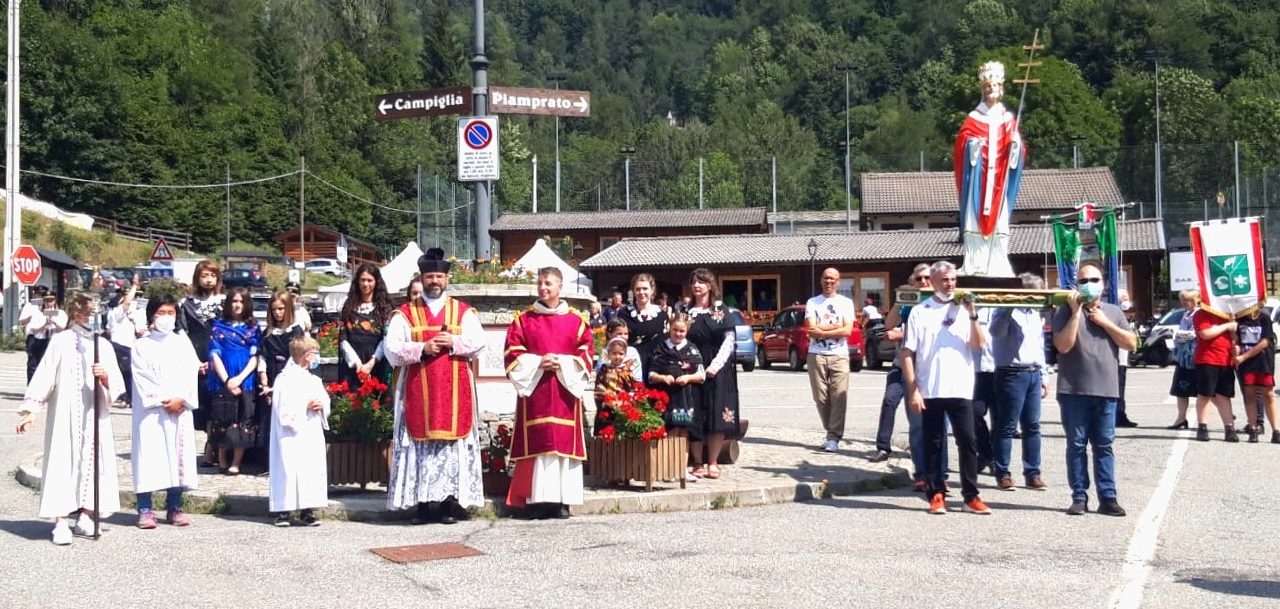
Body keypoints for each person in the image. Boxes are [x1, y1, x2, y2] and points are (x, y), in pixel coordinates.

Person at [385, 250, 487, 524]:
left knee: (451, 448)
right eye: (430, 276)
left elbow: (478, 343)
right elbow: (392, 350)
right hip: (418, 390)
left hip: (454, 389)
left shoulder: (463, 312)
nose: (435, 281)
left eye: (439, 276)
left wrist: (453, 342)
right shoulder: (405, 314)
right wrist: (423, 348)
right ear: (422, 277)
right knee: (418, 447)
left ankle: (447, 505)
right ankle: (420, 505)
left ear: (446, 278)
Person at [16, 292, 125, 545]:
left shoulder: (103, 345)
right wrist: (30, 410)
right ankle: (61, 521)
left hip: (94, 413)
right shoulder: (61, 341)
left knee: (92, 462)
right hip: (65, 413)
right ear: (76, 313)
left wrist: (105, 377)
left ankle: (85, 514)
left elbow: (117, 385)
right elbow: (44, 375)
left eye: (96, 313)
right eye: (88, 312)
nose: (92, 318)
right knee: (62, 461)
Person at [902, 261, 991, 515]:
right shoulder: (921, 310)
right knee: (934, 443)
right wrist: (913, 390)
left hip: (961, 387)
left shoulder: (965, 310)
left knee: (968, 441)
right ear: (933, 281)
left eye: (953, 280)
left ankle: (970, 496)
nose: (949, 284)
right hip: (930, 387)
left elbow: (978, 345)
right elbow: (908, 352)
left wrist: (972, 314)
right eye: (944, 280)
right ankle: (936, 493)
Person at [504, 267, 593, 518]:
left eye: (548, 284)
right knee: (539, 442)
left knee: (561, 443)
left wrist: (563, 364)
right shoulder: (523, 320)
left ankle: (562, 501)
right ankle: (536, 501)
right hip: (537, 392)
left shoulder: (576, 321)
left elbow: (586, 353)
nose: (543, 288)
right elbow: (512, 354)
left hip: (564, 393)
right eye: (540, 283)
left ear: (560, 286)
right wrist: (539, 363)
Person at [1052, 260, 1135, 516]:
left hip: (1106, 391)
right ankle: (1079, 496)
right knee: (1076, 445)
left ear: (1104, 284)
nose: (1089, 285)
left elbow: (1131, 343)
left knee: (1104, 445)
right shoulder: (1064, 311)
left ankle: (1108, 497)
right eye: (1083, 281)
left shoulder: (1113, 312)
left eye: (1094, 280)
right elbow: (1063, 346)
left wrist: (1105, 323)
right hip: (1073, 390)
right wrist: (1077, 312)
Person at [871, 264, 949, 492]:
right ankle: (922, 473)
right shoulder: (908, 304)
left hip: (935, 370)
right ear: (913, 281)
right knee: (917, 426)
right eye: (919, 278)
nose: (923, 282)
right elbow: (888, 325)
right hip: (909, 369)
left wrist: (902, 333)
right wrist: (900, 299)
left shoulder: (942, 304)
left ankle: (940, 473)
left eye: (927, 278)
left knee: (939, 426)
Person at [130, 295, 201, 529]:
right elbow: (142, 377)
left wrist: (182, 398)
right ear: (151, 315)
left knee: (177, 457)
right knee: (149, 457)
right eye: (162, 312)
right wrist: (163, 399)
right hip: (152, 412)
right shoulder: (142, 345)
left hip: (180, 408)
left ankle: (175, 506)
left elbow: (192, 372)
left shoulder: (182, 342)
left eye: (171, 313)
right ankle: (145, 509)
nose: (167, 318)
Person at [954, 61, 1024, 278]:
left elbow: (1018, 154)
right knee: (973, 221)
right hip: (979, 179)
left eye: (995, 86)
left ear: (1001, 88)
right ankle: (974, 263)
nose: (991, 90)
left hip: (999, 181)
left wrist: (1016, 146)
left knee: (1000, 222)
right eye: (987, 87)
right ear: (982, 90)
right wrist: (972, 146)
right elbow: (961, 145)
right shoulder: (974, 118)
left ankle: (999, 264)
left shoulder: (1008, 119)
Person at [989, 272, 1050, 491]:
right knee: (1006, 425)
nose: (1040, 298)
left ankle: (1032, 472)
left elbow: (1039, 346)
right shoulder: (1004, 309)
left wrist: (1044, 375)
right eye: (1037, 293)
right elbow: (995, 332)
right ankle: (1002, 472)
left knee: (1032, 426)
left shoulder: (1034, 313)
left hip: (1033, 372)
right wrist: (1007, 307)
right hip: (1011, 373)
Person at [685, 268, 742, 479]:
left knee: (717, 414)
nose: (697, 286)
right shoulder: (686, 311)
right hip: (692, 367)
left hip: (717, 368)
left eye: (701, 282)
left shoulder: (721, 310)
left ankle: (713, 461)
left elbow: (729, 339)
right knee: (695, 414)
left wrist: (715, 366)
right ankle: (697, 461)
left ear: (710, 285)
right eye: (694, 282)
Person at [268, 335, 331, 527]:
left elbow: (325, 401)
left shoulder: (314, 380)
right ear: (305, 356)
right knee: (288, 468)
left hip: (311, 431)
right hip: (291, 433)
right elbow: (283, 408)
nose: (317, 357)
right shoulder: (285, 379)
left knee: (310, 468)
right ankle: (283, 511)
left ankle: (307, 510)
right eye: (314, 354)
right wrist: (305, 406)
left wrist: (321, 405)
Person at [207, 287, 262, 474]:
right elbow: (214, 355)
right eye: (234, 301)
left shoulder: (253, 327)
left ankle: (237, 462)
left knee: (243, 419)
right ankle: (222, 458)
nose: (237, 305)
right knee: (222, 419)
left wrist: (239, 379)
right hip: (223, 378)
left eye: (241, 301)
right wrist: (227, 380)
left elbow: (255, 356)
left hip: (245, 378)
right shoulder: (218, 326)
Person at [177, 259, 225, 467]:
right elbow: (181, 333)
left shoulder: (226, 301)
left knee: (221, 404)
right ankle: (208, 444)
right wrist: (194, 361)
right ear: (197, 277)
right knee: (203, 404)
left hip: (223, 358)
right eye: (204, 275)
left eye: (212, 275)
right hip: (195, 357)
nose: (208, 279)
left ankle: (213, 447)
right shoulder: (186, 304)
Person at [647, 313, 705, 481]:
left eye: (682, 331)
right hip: (666, 397)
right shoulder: (661, 348)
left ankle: (681, 468)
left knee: (683, 432)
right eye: (675, 330)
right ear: (669, 328)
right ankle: (668, 468)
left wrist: (688, 378)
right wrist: (662, 378)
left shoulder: (692, 349)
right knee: (670, 431)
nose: (678, 334)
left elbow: (701, 374)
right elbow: (651, 373)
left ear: (687, 331)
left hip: (685, 398)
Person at [805, 268, 854, 453]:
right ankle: (830, 431)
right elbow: (812, 329)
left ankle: (834, 436)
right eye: (826, 278)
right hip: (816, 354)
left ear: (839, 282)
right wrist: (836, 326)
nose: (829, 281)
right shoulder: (813, 302)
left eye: (833, 279)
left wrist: (822, 331)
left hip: (839, 354)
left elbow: (847, 331)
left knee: (839, 395)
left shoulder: (846, 303)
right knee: (820, 397)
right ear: (821, 280)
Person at [257, 293, 305, 447]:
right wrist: (264, 379)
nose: (278, 313)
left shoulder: (296, 331)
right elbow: (262, 357)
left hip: (289, 375)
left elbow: (298, 357)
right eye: (274, 310)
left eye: (281, 309)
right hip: (272, 373)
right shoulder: (269, 333)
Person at [338, 263, 392, 387]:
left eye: (369, 280)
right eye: (362, 280)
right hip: (353, 365)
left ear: (376, 282)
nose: (366, 284)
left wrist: (371, 363)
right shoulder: (349, 306)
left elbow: (386, 338)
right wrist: (358, 364)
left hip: (377, 364)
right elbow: (343, 339)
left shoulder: (384, 307)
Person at [1192, 305, 1239, 442]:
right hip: (1207, 359)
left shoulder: (1227, 314)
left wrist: (1233, 328)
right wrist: (1226, 326)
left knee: (1224, 395)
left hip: (1225, 360)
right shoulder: (1201, 313)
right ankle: (1202, 427)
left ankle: (1229, 428)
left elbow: (1236, 336)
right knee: (1205, 394)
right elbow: (1205, 334)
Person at [1235, 307, 1278, 443]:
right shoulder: (1239, 319)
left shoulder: (1264, 318)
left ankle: (1276, 430)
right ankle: (1253, 429)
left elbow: (1265, 342)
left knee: (1268, 395)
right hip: (1247, 365)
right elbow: (1237, 340)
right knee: (1250, 395)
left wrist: (1244, 357)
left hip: (1263, 361)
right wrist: (1235, 347)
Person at [107, 274, 146, 407]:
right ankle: (127, 398)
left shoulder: (131, 312)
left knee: (129, 372)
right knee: (127, 372)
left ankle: (127, 397)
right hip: (120, 345)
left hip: (130, 344)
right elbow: (127, 303)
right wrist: (134, 285)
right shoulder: (117, 312)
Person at [620, 273, 668, 380]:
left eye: (645, 288)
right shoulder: (624, 314)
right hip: (631, 365)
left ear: (652, 290)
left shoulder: (661, 315)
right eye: (638, 289)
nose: (641, 292)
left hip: (655, 367)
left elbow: (665, 343)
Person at [1166, 290, 1199, 429]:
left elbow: (1194, 334)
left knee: (1204, 391)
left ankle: (1224, 414)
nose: (1186, 303)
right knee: (1181, 390)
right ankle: (1181, 418)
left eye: (1189, 300)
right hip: (1183, 357)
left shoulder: (1199, 314)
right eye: (1183, 300)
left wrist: (1178, 335)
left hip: (1195, 357)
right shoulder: (1185, 315)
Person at [1114, 290, 1139, 428]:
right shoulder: (1113, 313)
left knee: (1120, 386)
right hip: (1115, 356)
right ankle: (1117, 415)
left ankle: (1120, 413)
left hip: (1123, 355)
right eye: (1123, 298)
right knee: (1116, 385)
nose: (1126, 301)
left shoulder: (1126, 314)